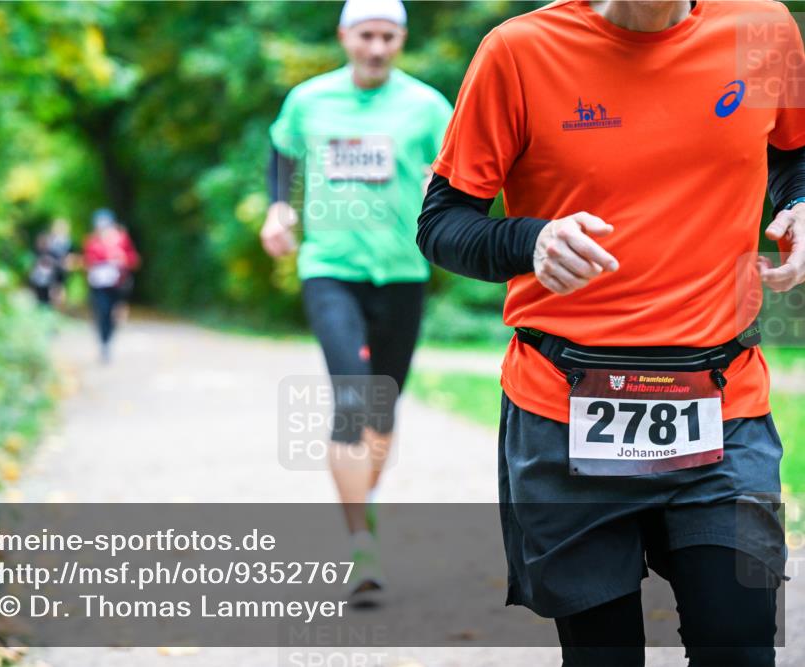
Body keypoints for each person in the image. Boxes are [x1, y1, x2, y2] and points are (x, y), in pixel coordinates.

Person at [417, 0, 804, 664]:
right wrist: (531, 240)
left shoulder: (763, 31)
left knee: (739, 646)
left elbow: (794, 153)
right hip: (563, 409)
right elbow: (443, 222)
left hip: (722, 405)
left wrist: (798, 202)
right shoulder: (519, 51)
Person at [261, 0, 453, 603]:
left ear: (403, 39)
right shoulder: (310, 100)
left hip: (402, 270)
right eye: (366, 35)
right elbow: (280, 150)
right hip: (330, 268)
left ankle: (360, 502)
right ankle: (360, 543)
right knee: (353, 397)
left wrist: (442, 190)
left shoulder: (427, 106)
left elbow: (459, 172)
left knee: (383, 409)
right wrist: (278, 206)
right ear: (344, 35)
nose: (376, 48)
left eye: (388, 37)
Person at [83, 208, 140, 362]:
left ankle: (108, 340)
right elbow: (87, 261)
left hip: (117, 284)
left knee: (114, 315)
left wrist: (122, 258)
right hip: (99, 285)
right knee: (102, 311)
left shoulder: (122, 239)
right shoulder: (92, 241)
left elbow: (133, 259)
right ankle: (104, 343)